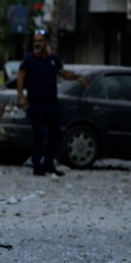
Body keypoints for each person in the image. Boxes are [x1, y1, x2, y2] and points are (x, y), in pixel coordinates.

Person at [16, 29, 86, 176]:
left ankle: (48, 163)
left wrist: (76, 77)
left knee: (55, 134)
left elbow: (63, 73)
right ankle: (37, 165)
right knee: (39, 135)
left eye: (40, 41)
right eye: (35, 41)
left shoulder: (53, 59)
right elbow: (21, 77)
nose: (37, 44)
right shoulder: (29, 60)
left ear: (46, 42)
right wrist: (21, 96)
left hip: (51, 103)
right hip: (36, 103)